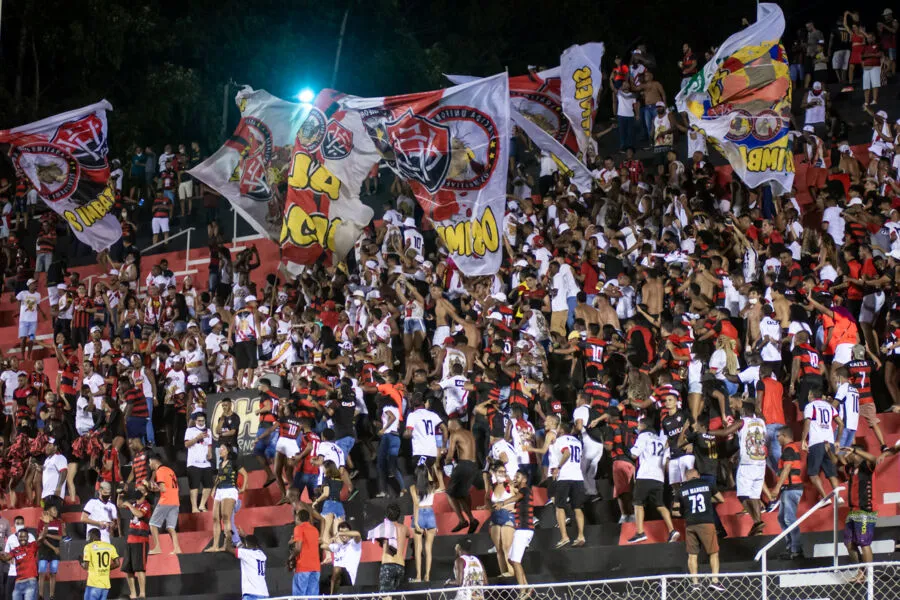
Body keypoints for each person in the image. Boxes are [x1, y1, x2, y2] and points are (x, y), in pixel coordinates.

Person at [628, 418, 677, 543]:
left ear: (644, 426)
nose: (637, 428)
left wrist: (628, 448)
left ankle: (640, 532)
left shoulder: (643, 436)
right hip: (659, 477)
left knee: (638, 503)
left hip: (645, 475)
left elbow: (634, 454)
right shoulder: (660, 440)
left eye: (639, 425)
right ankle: (672, 530)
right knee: (660, 504)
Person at [679, 468, 726, 592]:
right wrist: (707, 500)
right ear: (698, 475)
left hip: (690, 524)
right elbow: (721, 499)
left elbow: (676, 510)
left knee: (692, 555)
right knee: (713, 552)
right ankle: (715, 581)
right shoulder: (707, 484)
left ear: (686, 477)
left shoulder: (682, 489)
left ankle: (695, 584)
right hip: (706, 522)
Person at [837, 445, 878, 583]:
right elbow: (837, 462)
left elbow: (874, 458)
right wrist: (834, 452)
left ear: (858, 454)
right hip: (852, 510)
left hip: (865, 510)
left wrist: (855, 450)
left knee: (864, 543)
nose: (848, 456)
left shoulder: (867, 466)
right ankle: (861, 571)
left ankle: (868, 575)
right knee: (849, 543)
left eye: (851, 453)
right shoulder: (850, 469)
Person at [802, 388, 844, 501]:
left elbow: (807, 422)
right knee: (831, 473)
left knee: (812, 473)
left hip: (816, 442)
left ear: (811, 394)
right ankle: (838, 497)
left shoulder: (810, 406)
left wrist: (803, 440)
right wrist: (837, 441)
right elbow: (840, 423)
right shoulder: (829, 406)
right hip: (829, 442)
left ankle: (825, 498)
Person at [770, 427, 805, 560]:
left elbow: (787, 468)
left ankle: (796, 549)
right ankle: (791, 547)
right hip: (789, 488)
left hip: (791, 488)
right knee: (782, 518)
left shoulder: (789, 449)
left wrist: (777, 488)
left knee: (789, 519)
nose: (777, 439)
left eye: (778, 436)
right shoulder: (789, 449)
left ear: (784, 435)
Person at [551, 420, 587, 547]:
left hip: (565, 477)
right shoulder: (577, 441)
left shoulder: (560, 441)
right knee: (577, 507)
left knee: (559, 506)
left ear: (561, 430)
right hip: (578, 477)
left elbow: (567, 453)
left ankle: (564, 537)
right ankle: (581, 536)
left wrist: (558, 467)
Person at [208, 443, 248, 553]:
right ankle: (215, 546)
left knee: (226, 517)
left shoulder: (234, 462)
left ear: (228, 451)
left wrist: (243, 488)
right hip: (220, 490)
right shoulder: (220, 463)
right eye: (220, 448)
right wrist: (214, 489)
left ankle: (228, 545)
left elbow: (245, 474)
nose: (220, 450)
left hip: (230, 490)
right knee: (216, 518)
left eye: (222, 448)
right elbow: (218, 477)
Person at [445, 419, 480, 533]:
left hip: (463, 465)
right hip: (474, 465)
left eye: (449, 426)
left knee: (449, 493)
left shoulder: (455, 434)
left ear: (455, 424)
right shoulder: (470, 433)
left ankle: (461, 520)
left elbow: (450, 455)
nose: (448, 429)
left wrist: (445, 460)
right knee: (459, 495)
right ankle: (472, 519)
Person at [118, 483, 152, 600]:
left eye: (141, 490)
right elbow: (119, 504)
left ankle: (142, 593)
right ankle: (133, 593)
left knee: (140, 568)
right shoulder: (133, 503)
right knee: (129, 569)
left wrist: (129, 505)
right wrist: (120, 495)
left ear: (146, 493)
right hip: (130, 539)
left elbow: (139, 514)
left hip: (141, 540)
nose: (138, 491)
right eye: (137, 489)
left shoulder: (146, 505)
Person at [148, 454, 183, 555]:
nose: (149, 465)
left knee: (153, 524)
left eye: (150, 462)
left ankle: (157, 547)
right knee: (170, 527)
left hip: (166, 500)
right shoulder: (170, 470)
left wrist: (154, 488)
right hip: (175, 501)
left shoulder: (160, 471)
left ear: (154, 462)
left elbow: (163, 488)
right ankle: (177, 548)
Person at [409, 463, 438, 582]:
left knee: (418, 548)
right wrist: (432, 468)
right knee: (428, 549)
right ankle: (428, 575)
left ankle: (418, 576)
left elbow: (416, 504)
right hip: (430, 514)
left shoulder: (413, 487)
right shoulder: (432, 486)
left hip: (419, 514)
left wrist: (415, 522)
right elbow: (433, 479)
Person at [508, 468, 534, 587]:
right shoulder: (523, 491)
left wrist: (502, 503)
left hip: (524, 530)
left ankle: (523, 590)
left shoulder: (525, 490)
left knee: (516, 561)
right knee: (510, 559)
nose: (515, 478)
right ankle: (526, 586)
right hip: (521, 529)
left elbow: (516, 497)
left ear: (524, 479)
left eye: (517, 476)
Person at [184, 412, 214, 513]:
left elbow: (209, 444)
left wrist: (210, 453)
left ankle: (202, 505)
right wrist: (197, 438)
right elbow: (187, 444)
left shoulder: (208, 431)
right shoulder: (190, 430)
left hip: (205, 462)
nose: (201, 423)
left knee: (209, 485)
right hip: (193, 462)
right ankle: (194, 507)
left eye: (203, 421)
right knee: (194, 486)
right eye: (199, 421)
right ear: (195, 421)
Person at [80, 528, 121, 600]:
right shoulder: (110, 546)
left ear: (91, 536)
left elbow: (86, 566)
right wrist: (106, 568)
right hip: (105, 585)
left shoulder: (88, 547)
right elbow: (117, 563)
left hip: (93, 584)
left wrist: (80, 562)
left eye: (88, 536)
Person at [378, 503, 409, 595]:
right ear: (399, 515)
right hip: (400, 566)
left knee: (386, 597)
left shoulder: (384, 527)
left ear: (387, 514)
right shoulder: (404, 528)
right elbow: (409, 534)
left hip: (388, 565)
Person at [289, 509, 320, 597]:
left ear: (298, 518)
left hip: (303, 566)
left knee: (299, 596)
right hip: (315, 567)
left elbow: (298, 548)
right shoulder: (315, 530)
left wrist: (290, 558)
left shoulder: (298, 528)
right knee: (313, 596)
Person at [1, 529, 38, 600]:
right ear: (17, 538)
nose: (22, 538)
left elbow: (41, 540)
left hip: (30, 581)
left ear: (28, 537)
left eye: (24, 536)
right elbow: (5, 558)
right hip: (18, 584)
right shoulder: (15, 550)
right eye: (20, 537)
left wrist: (45, 526)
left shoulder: (32, 546)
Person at [36, 505, 63, 600]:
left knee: (53, 573)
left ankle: (52, 595)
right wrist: (53, 547)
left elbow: (60, 537)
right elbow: (41, 539)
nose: (56, 511)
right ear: (48, 511)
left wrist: (48, 534)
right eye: (54, 509)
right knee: (42, 572)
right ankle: (41, 595)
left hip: (55, 551)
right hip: (44, 550)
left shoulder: (58, 522)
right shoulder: (41, 522)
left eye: (56, 509)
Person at [15, 278, 43, 361]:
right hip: (23, 320)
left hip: (33, 320)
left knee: (31, 339)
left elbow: (37, 305)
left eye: (36, 283)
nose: (35, 285)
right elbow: (18, 300)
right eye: (34, 284)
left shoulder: (38, 295)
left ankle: (29, 356)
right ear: (29, 285)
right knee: (23, 338)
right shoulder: (23, 293)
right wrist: (19, 310)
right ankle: (23, 356)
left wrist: (42, 313)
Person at [236, 534, 269, 600]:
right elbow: (251, 544)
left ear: (246, 544)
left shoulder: (246, 553)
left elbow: (228, 548)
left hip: (251, 593)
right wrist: (245, 536)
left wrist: (228, 536)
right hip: (264, 593)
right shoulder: (262, 554)